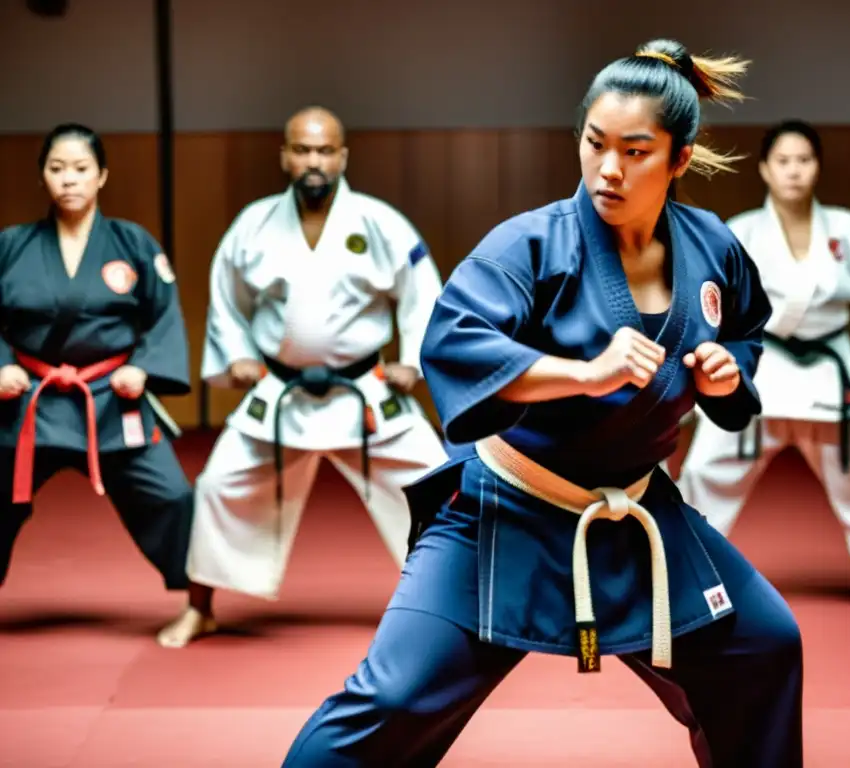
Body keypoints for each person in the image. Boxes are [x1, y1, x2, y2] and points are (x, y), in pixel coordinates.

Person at [281, 40, 804, 768]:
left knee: (765, 647)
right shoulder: (530, 245)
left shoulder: (712, 246)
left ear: (679, 160)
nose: (608, 169)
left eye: (635, 151)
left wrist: (726, 374)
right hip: (505, 511)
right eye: (594, 144)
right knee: (392, 700)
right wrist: (580, 373)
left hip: (636, 516)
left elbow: (745, 327)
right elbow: (455, 344)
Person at [158, 106, 450, 648]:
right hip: (282, 392)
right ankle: (200, 608)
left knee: (439, 486)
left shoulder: (380, 223)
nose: (313, 161)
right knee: (221, 485)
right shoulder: (255, 224)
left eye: (323, 150)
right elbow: (228, 298)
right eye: (302, 150)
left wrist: (413, 358)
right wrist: (238, 355)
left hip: (366, 390)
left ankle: (463, 608)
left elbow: (421, 291)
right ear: (285, 156)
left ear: (342, 156)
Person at [677, 120, 850, 613]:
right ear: (765, 170)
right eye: (784, 161)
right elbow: (710, 302)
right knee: (704, 470)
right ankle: (681, 572)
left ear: (817, 167)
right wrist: (706, 367)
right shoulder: (741, 230)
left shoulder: (848, 228)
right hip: (757, 368)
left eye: (804, 161)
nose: (794, 171)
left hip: (829, 369)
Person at [0, 123, 200, 640]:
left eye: (81, 169)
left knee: (174, 497)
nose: (69, 180)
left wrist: (147, 367)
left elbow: (164, 316)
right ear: (42, 176)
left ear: (102, 176)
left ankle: (201, 604)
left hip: (111, 400)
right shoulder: (12, 246)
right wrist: (2, 364)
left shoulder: (132, 243)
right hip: (30, 405)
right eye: (57, 168)